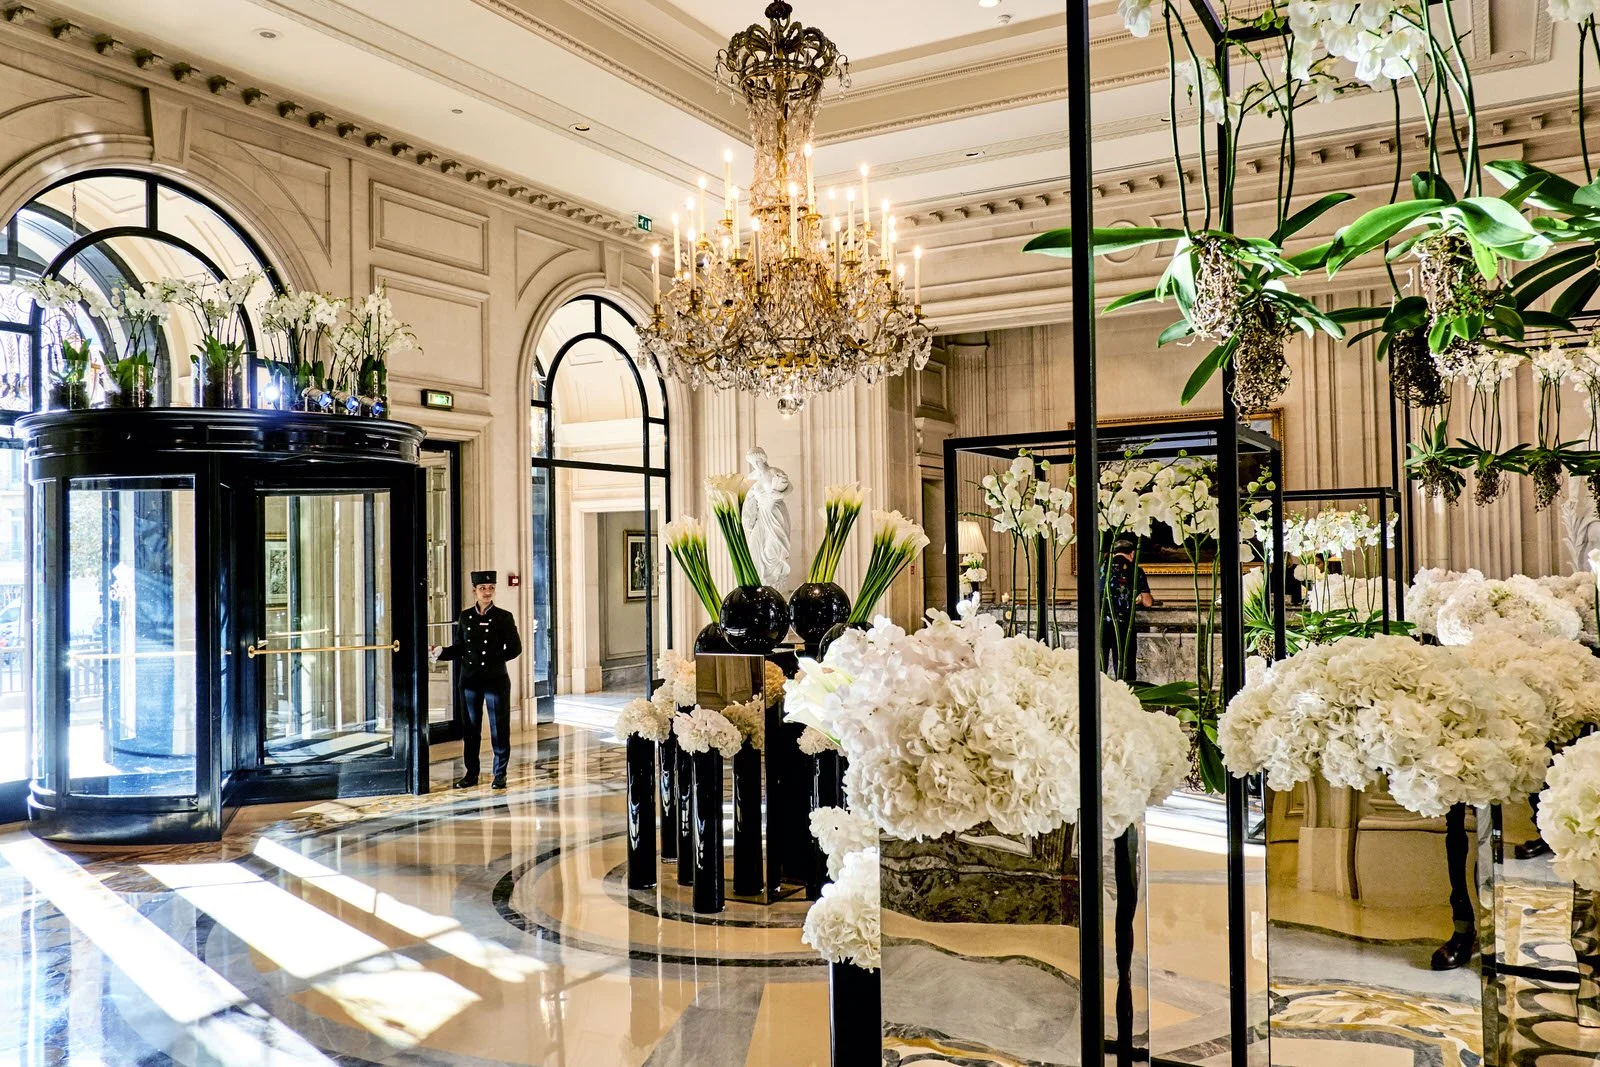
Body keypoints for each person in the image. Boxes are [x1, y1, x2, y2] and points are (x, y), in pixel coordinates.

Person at [431, 570, 522, 790]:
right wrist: (440, 652)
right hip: (470, 681)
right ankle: (471, 774)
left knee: (499, 729)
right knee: (471, 730)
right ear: (475, 591)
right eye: (482, 588)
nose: (487, 592)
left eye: (491, 588)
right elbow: (460, 648)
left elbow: (515, 648)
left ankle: (499, 774)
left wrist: (495, 660)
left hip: (496, 681)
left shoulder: (504, 617)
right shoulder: (465, 617)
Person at [1101, 535, 1153, 682]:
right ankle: (1126, 697)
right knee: (1124, 666)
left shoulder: (1101, 568)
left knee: (1099, 666)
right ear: (1132, 553)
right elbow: (1148, 602)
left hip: (1100, 625)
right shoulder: (1135, 570)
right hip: (1124, 625)